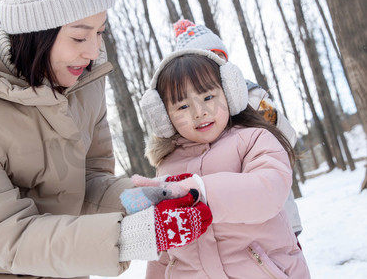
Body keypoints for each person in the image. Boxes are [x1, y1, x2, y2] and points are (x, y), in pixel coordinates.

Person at [0, 0, 212, 278]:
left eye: (100, 32)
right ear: (34, 33)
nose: (93, 51)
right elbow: (2, 231)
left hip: (60, 263)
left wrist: (145, 200)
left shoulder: (85, 77)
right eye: (79, 37)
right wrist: (131, 237)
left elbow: (89, 183)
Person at [127, 48, 310, 278]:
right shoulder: (167, 167)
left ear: (229, 94)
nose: (199, 112)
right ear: (164, 117)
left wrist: (200, 192)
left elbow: (267, 191)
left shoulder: (253, 139)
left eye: (208, 97)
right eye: (183, 106)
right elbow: (166, 249)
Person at [172, 19, 303, 236]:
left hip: (276, 214)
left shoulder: (251, 96)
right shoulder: (194, 117)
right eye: (210, 61)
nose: (219, 66)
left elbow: (287, 135)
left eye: (221, 57)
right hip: (230, 227)